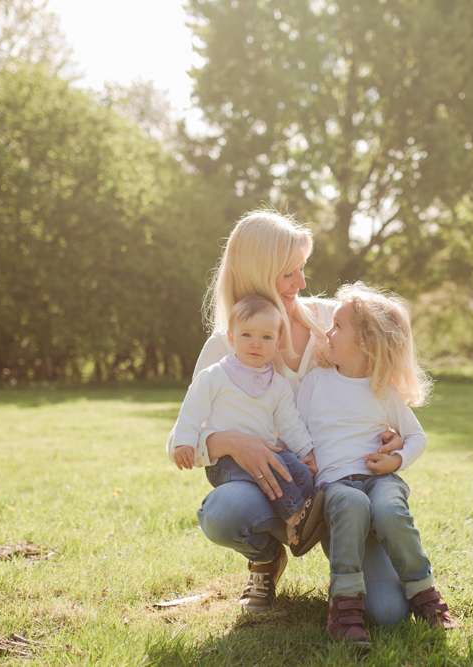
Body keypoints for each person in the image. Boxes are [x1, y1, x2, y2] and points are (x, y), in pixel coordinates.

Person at [186, 209, 409, 620]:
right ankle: (266, 557)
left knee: (389, 614)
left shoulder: (332, 320)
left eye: (303, 269)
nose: (302, 283)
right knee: (223, 512)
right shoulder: (227, 346)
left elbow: (380, 373)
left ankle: (345, 550)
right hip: (274, 489)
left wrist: (393, 429)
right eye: (290, 273)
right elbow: (188, 438)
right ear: (258, 273)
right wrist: (232, 442)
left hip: (346, 486)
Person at [297, 283, 454, 647]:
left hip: (378, 479)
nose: (328, 333)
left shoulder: (383, 390)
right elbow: (295, 430)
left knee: (389, 509)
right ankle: (345, 605)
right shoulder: (316, 382)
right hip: (336, 485)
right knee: (351, 505)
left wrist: (395, 460)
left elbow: (417, 437)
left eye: (337, 326)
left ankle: (425, 596)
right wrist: (305, 457)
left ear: (366, 342)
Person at [166, 295, 320, 549]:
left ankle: (309, 513)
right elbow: (191, 410)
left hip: (268, 454)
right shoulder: (215, 375)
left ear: (278, 342)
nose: (255, 344)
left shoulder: (277, 384)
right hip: (226, 463)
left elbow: (290, 423)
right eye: (246, 335)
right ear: (230, 338)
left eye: (266, 337)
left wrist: (308, 451)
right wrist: (184, 443)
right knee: (275, 475)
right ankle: (295, 521)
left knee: (301, 473)